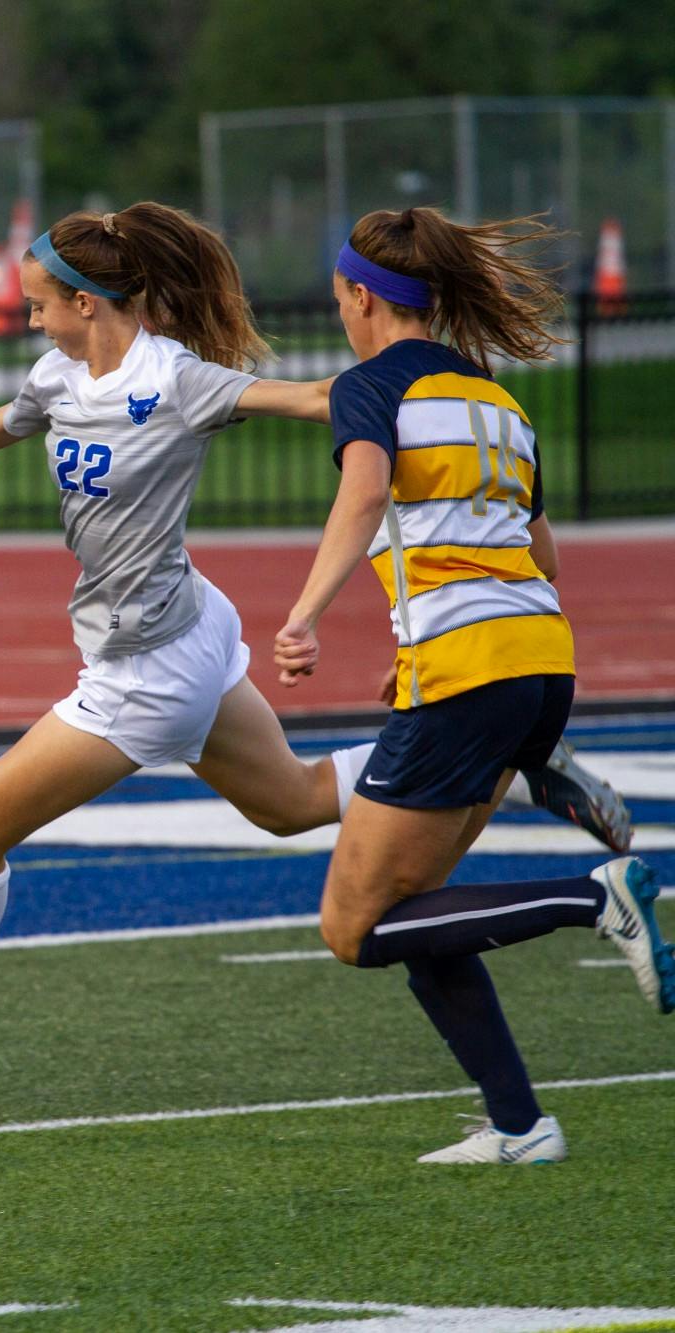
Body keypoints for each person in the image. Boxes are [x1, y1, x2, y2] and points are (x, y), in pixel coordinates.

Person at [0, 203, 630, 1071]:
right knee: (289, 802)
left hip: (148, 673)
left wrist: (418, 385)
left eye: (39, 305)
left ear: (86, 303)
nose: (29, 318)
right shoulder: (58, 378)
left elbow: (314, 396)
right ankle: (503, 770)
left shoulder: (173, 378)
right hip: (190, 626)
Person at [274, 207, 673, 1165]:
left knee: (355, 926)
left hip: (468, 674)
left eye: (339, 301)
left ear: (361, 297)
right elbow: (538, 549)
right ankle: (519, 1125)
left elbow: (365, 493)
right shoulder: (495, 397)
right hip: (539, 661)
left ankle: (596, 896)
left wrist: (305, 614)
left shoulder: (369, 388)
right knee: (421, 909)